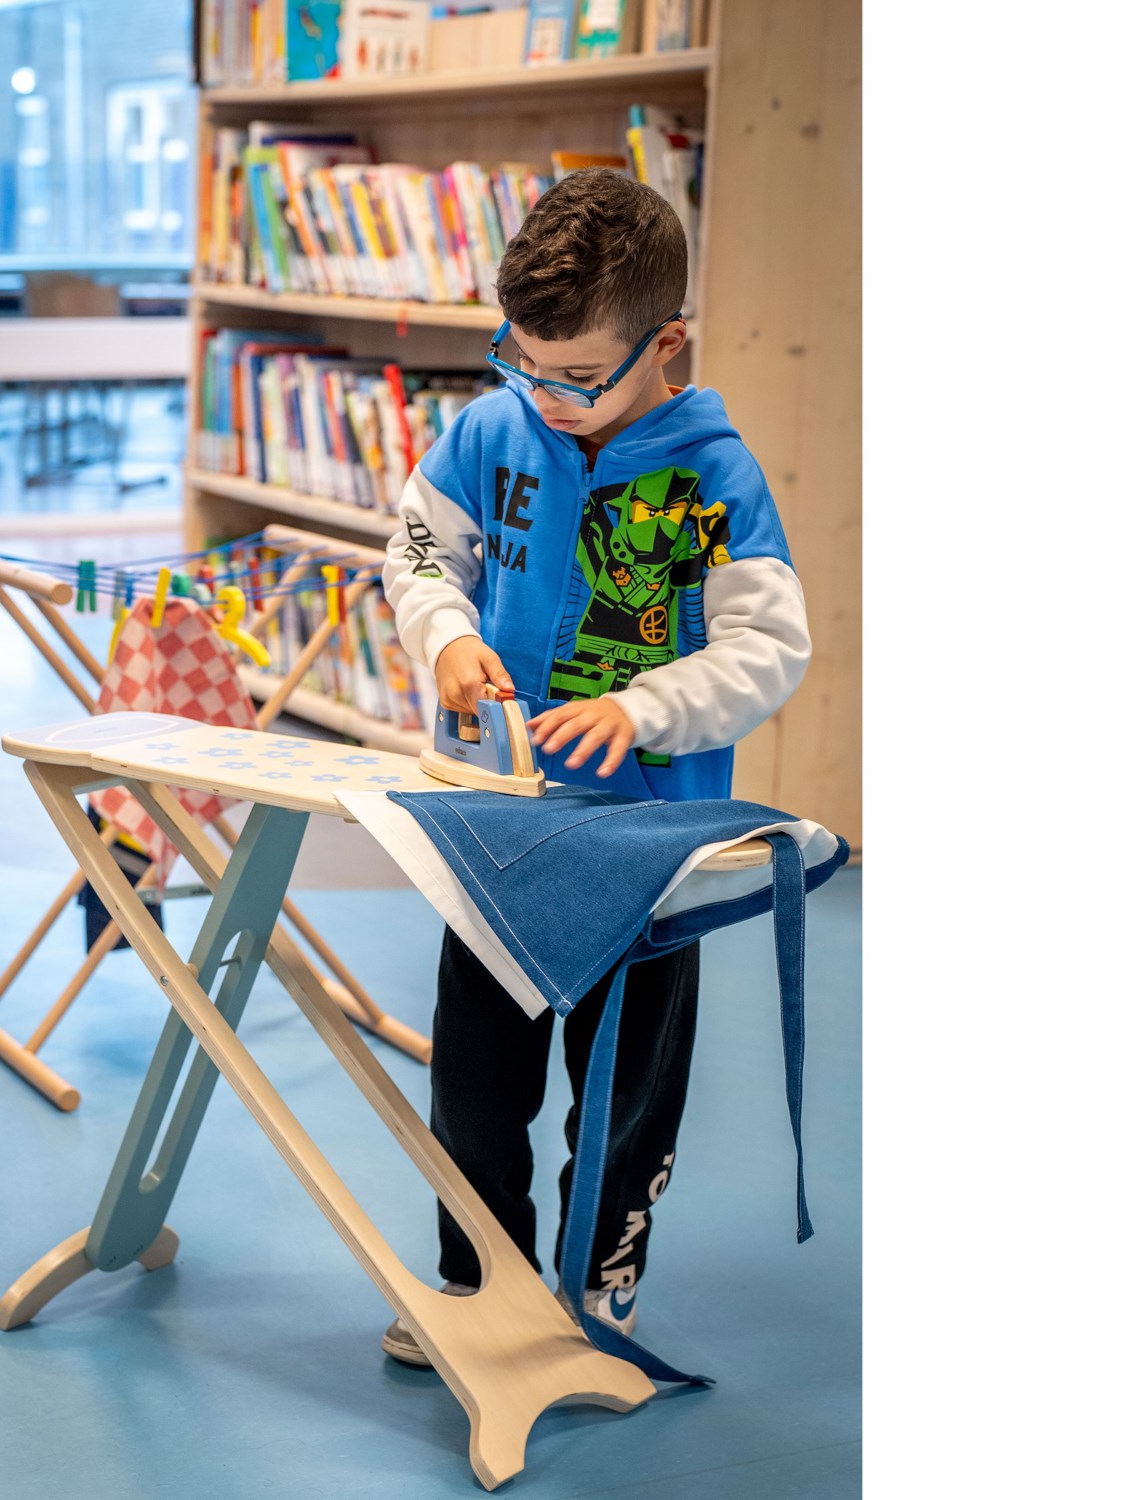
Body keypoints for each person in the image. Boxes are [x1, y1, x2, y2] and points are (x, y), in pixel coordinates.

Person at [378, 168, 812, 1365]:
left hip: (647, 851)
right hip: (497, 826)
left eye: (577, 375)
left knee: (625, 1095)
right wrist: (445, 634)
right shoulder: (490, 430)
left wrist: (644, 707)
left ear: (667, 344)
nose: (545, 394)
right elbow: (417, 550)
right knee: (475, 1084)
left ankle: (597, 1287)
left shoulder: (712, 477)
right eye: (521, 360)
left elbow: (769, 649)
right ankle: (479, 1283)